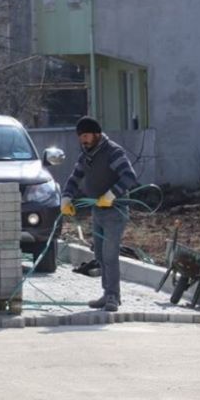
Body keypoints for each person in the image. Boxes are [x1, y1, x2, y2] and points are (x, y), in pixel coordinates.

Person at [60, 116, 138, 312]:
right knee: (100, 255)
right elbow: (74, 177)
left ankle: (114, 297)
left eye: (85, 136)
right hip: (98, 210)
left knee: (110, 254)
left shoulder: (112, 152)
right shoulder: (87, 155)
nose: (83, 140)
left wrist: (111, 195)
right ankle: (107, 293)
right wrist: (66, 198)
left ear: (96, 134)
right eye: (80, 137)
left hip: (115, 210)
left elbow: (129, 176)